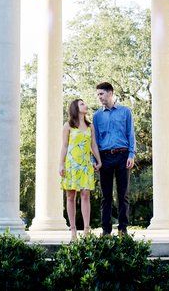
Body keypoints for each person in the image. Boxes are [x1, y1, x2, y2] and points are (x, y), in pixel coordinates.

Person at [92, 81, 135, 235]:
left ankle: (123, 229)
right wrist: (95, 161)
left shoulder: (125, 112)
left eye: (101, 94)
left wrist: (131, 154)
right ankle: (106, 231)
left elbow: (131, 134)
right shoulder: (96, 116)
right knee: (106, 196)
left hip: (123, 155)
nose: (99, 97)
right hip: (104, 158)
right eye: (97, 95)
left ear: (110, 93)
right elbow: (94, 140)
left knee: (123, 194)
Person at [59, 98, 101, 238]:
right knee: (70, 196)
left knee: (85, 194)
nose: (85, 105)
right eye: (82, 104)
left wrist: (98, 161)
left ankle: (87, 229)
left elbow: (93, 145)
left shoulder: (90, 126)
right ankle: (73, 230)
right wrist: (61, 164)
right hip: (71, 163)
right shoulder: (68, 125)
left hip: (85, 164)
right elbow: (64, 146)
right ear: (75, 108)